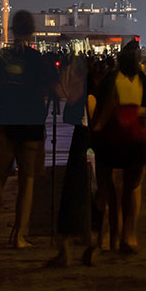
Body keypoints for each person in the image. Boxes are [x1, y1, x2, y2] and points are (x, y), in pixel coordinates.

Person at [0, 9, 51, 249]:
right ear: (31, 32)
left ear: (12, 30)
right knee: (27, 181)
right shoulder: (36, 59)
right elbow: (45, 90)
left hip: (7, 123)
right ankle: (19, 236)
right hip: (31, 124)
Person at [93, 39, 146, 254]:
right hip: (136, 143)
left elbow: (105, 107)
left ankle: (109, 236)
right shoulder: (144, 82)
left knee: (107, 188)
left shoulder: (111, 79)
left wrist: (97, 127)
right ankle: (129, 237)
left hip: (111, 142)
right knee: (130, 190)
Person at [48, 55, 95, 268]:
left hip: (81, 138)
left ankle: (67, 246)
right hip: (88, 139)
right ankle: (89, 238)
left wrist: (60, 79)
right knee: (87, 190)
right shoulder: (94, 87)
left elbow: (62, 94)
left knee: (74, 190)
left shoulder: (81, 88)